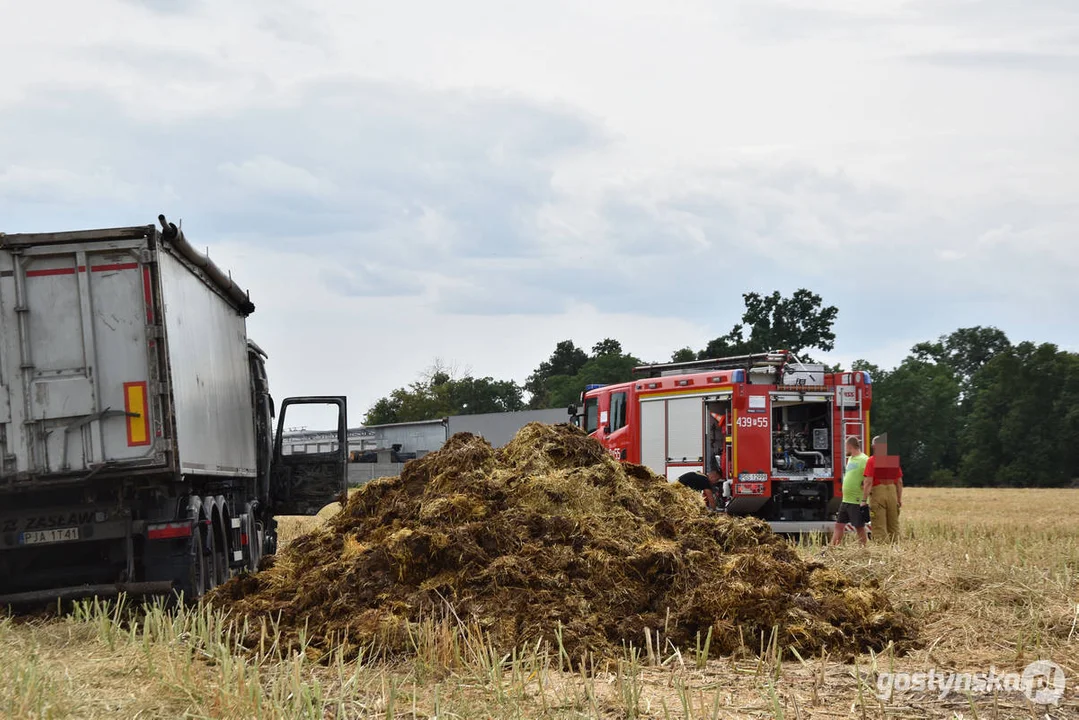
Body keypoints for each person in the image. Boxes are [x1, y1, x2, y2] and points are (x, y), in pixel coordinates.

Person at [832, 436, 871, 546]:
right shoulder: (850, 459)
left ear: (850, 446)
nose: (845, 450)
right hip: (846, 500)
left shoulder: (864, 459)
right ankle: (832, 548)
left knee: (859, 527)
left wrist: (864, 499)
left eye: (846, 447)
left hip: (856, 500)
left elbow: (868, 479)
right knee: (839, 525)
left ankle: (864, 549)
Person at [864, 434, 903, 543]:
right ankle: (896, 548)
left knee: (879, 526)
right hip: (892, 493)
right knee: (894, 525)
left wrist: (863, 500)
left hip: (878, 493)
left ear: (874, 446)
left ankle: (883, 551)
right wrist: (899, 499)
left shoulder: (872, 460)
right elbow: (899, 482)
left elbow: (868, 482)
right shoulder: (892, 460)